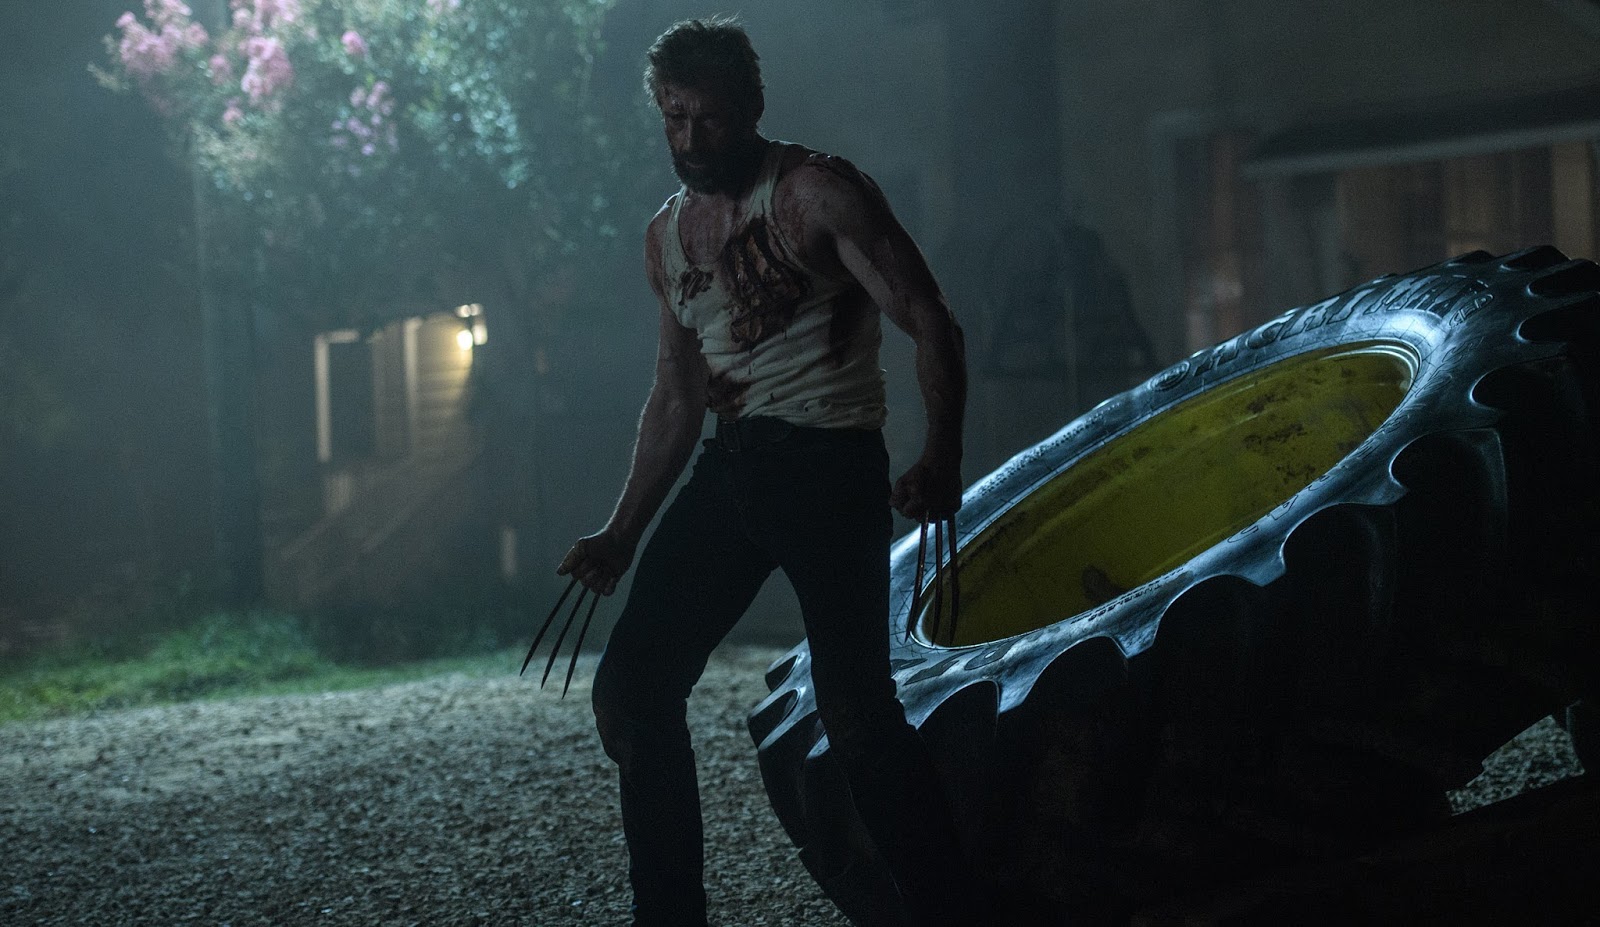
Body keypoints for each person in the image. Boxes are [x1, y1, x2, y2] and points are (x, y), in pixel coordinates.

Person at [558, 17, 975, 927]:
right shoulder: (667, 235)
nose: (690, 138)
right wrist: (622, 532)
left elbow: (928, 316)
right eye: (674, 118)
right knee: (631, 692)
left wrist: (941, 453)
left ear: (750, 107)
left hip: (829, 467)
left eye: (708, 118)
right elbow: (677, 395)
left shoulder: (815, 193)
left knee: (859, 720)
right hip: (733, 466)